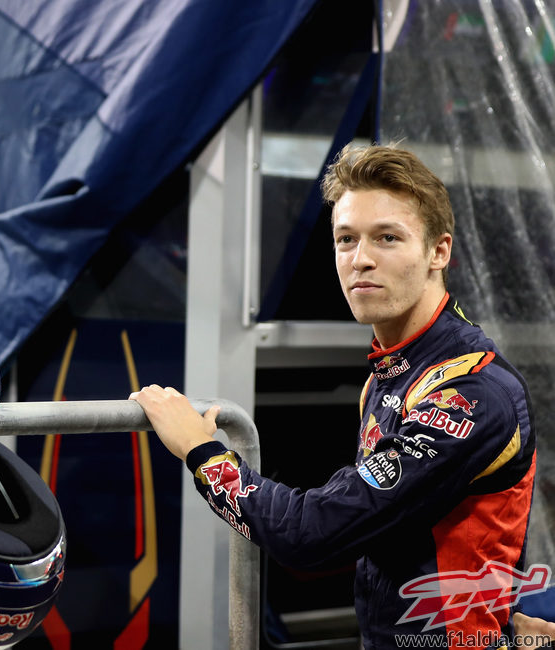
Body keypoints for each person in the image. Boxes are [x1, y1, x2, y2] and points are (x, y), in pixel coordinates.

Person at [131, 144, 547, 649]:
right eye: (345, 239)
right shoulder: (390, 373)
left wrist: (202, 452)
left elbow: (314, 534)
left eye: (387, 238)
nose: (361, 259)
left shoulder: (472, 390)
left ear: (439, 251)